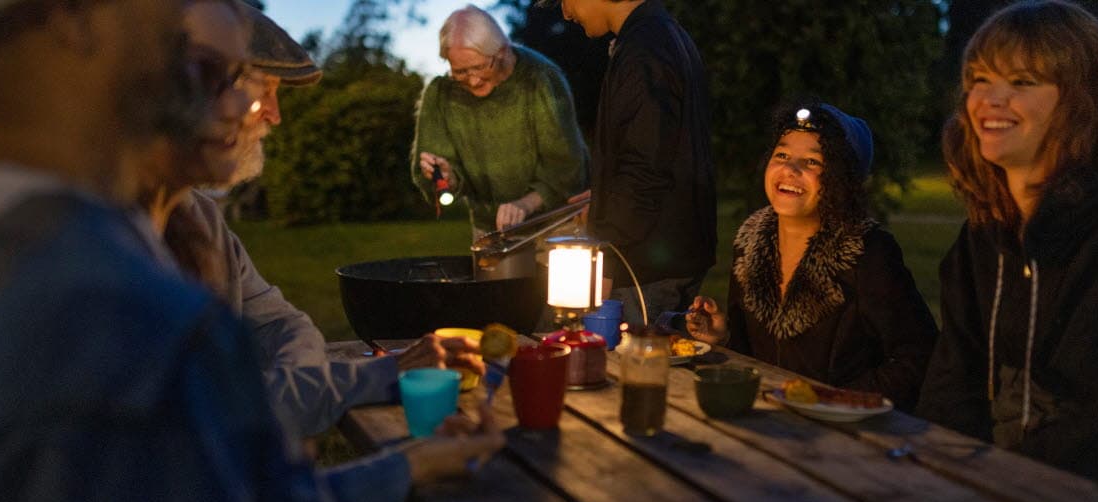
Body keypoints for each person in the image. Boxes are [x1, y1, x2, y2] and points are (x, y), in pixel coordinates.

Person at [0, 0, 503, 502]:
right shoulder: (125, 311)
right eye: (209, 72)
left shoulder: (174, 238)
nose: (245, 107)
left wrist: (405, 455)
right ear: (74, 28)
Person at [914, 0, 1098, 502]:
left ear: (1081, 100)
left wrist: (988, 490)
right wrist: (941, 472)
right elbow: (952, 379)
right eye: (980, 79)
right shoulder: (984, 232)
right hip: (1001, 481)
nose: (990, 99)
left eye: (1023, 81)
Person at [140, 2, 482, 439]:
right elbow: (220, 425)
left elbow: (284, 324)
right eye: (260, 89)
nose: (273, 114)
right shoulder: (112, 247)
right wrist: (337, 391)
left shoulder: (201, 219)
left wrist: (310, 388)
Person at [685, 103, 938, 408]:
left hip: (843, 436)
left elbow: (918, 355)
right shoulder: (749, 246)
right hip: (767, 422)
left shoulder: (867, 252)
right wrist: (721, 337)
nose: (790, 170)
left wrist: (833, 401)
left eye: (812, 161)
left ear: (842, 179)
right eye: (782, 155)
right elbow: (752, 358)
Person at [555, 0, 717, 327]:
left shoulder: (644, 49)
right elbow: (660, 148)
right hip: (668, 251)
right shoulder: (663, 34)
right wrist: (603, 198)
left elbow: (644, 168)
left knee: (631, 368)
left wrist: (606, 243)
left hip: (647, 262)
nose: (565, 13)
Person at [411, 4, 588, 235]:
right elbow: (435, 176)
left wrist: (525, 204)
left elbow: (566, 170)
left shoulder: (541, 79)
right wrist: (448, 178)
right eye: (460, 72)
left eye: (479, 67)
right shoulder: (441, 93)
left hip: (554, 223)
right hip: (489, 228)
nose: (472, 81)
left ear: (502, 51)